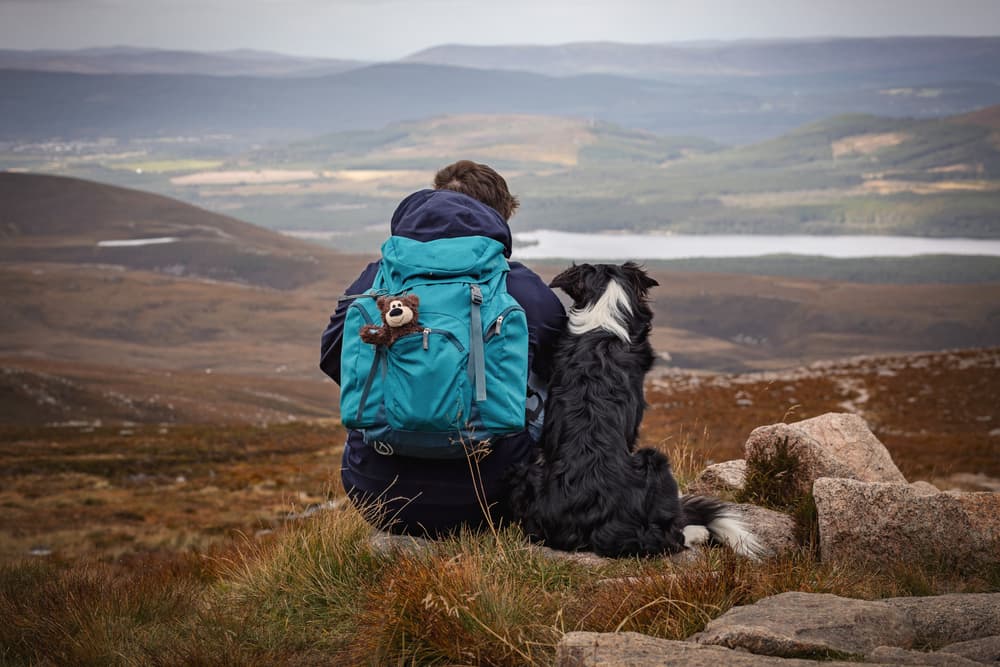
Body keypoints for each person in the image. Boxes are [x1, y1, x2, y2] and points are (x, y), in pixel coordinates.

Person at [320, 160, 566, 537]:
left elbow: (333, 356)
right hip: (496, 500)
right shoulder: (522, 289)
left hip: (378, 493)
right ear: (498, 219)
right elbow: (562, 375)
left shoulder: (377, 278)